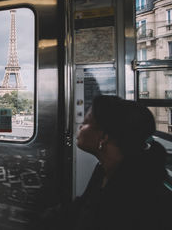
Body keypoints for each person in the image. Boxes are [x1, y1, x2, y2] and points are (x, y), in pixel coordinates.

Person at [42, 95, 171, 230]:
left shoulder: (139, 197)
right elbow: (82, 207)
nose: (80, 127)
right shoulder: (104, 169)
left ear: (104, 137)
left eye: (86, 123)